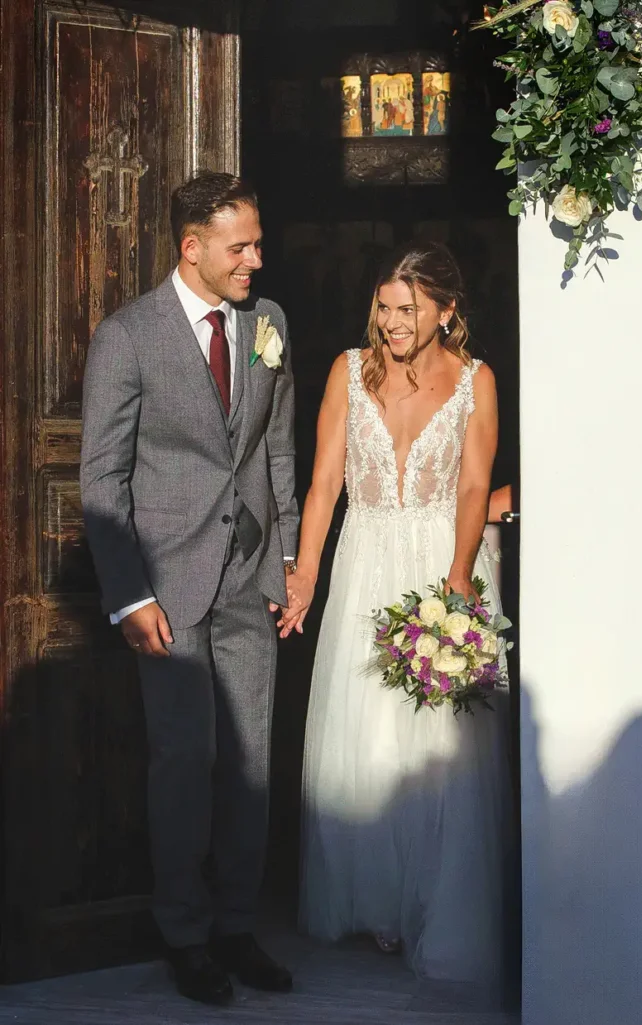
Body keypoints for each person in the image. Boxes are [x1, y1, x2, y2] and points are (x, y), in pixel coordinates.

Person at [78, 171, 299, 1007]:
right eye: (240, 245)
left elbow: (276, 450)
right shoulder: (128, 336)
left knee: (251, 764)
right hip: (166, 589)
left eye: (258, 242)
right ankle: (185, 935)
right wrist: (130, 597)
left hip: (249, 578)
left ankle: (239, 927)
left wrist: (281, 565)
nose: (256, 259)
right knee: (185, 764)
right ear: (192, 246)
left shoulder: (269, 323)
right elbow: (103, 476)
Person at [282, 241, 510, 986]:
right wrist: (308, 571)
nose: (391, 323)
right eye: (383, 308)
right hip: (365, 562)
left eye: (407, 309)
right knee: (368, 736)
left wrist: (456, 581)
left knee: (440, 751)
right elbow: (322, 486)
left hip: (445, 560)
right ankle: (378, 901)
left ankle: (434, 905)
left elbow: (476, 487)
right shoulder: (349, 373)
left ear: (449, 309)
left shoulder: (478, 381)